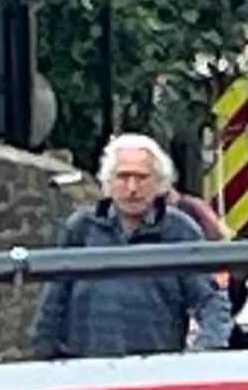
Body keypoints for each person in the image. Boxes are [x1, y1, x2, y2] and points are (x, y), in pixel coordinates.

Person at [32, 135, 233, 358]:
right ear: (107, 182)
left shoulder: (179, 230)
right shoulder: (81, 228)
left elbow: (210, 299)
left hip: (153, 375)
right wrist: (45, 361)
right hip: (87, 372)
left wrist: (204, 352)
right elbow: (52, 304)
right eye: (123, 177)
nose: (132, 188)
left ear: (160, 183)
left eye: (142, 178)